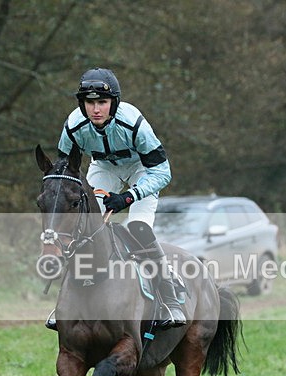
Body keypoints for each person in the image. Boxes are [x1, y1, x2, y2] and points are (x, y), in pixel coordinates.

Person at [46, 67, 186, 330]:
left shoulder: (133, 123)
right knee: (85, 226)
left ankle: (169, 292)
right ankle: (64, 301)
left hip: (142, 169)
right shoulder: (74, 125)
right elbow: (64, 168)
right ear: (82, 103)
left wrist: (128, 197)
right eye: (90, 103)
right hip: (104, 168)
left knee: (138, 228)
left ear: (114, 103)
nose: (96, 109)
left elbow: (162, 171)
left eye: (102, 102)